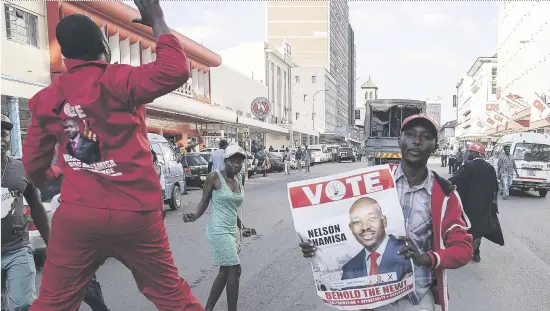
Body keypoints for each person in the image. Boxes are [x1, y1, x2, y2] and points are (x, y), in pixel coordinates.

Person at [21, 1, 203, 310]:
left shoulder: (46, 99)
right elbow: (175, 70)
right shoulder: (120, 79)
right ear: (104, 44)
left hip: (78, 216)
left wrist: (56, 173)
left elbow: (33, 167)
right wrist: (157, 20)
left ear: (66, 55)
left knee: (52, 303)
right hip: (135, 214)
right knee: (173, 297)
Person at [299, 114, 473, 311]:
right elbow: (342, 226)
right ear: (400, 141)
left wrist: (428, 258)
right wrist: (319, 247)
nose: (416, 141)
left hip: (416, 300)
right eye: (410, 134)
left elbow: (463, 249)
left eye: (425, 136)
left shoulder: (445, 194)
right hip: (372, 299)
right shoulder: (372, 181)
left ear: (435, 145)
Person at [183, 144, 251, 311]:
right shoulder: (214, 177)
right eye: (233, 161)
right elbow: (204, 201)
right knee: (235, 269)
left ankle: (208, 308)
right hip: (218, 230)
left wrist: (241, 226)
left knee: (224, 272)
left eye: (239, 162)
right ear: (225, 160)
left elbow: (233, 208)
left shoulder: (239, 181)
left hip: (230, 231)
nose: (236, 165)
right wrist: (195, 215)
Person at [1, 115, 51, 311]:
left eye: (4, 134)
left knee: (23, 304)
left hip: (18, 249)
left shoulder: (22, 168)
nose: (0, 139)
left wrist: (52, 245)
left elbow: (37, 207)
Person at [449, 143, 503, 263]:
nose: (469, 154)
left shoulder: (469, 166)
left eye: (472, 152)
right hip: (484, 206)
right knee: (479, 228)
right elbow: (495, 187)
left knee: (466, 227)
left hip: (468, 205)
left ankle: (465, 251)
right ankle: (476, 253)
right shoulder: (490, 168)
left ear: (478, 154)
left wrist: (444, 184)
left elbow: (456, 180)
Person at [342, 197, 412, 283]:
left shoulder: (407, 251)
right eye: (357, 222)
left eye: (371, 219)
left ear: (384, 221)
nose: (365, 227)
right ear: (351, 228)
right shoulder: (349, 268)